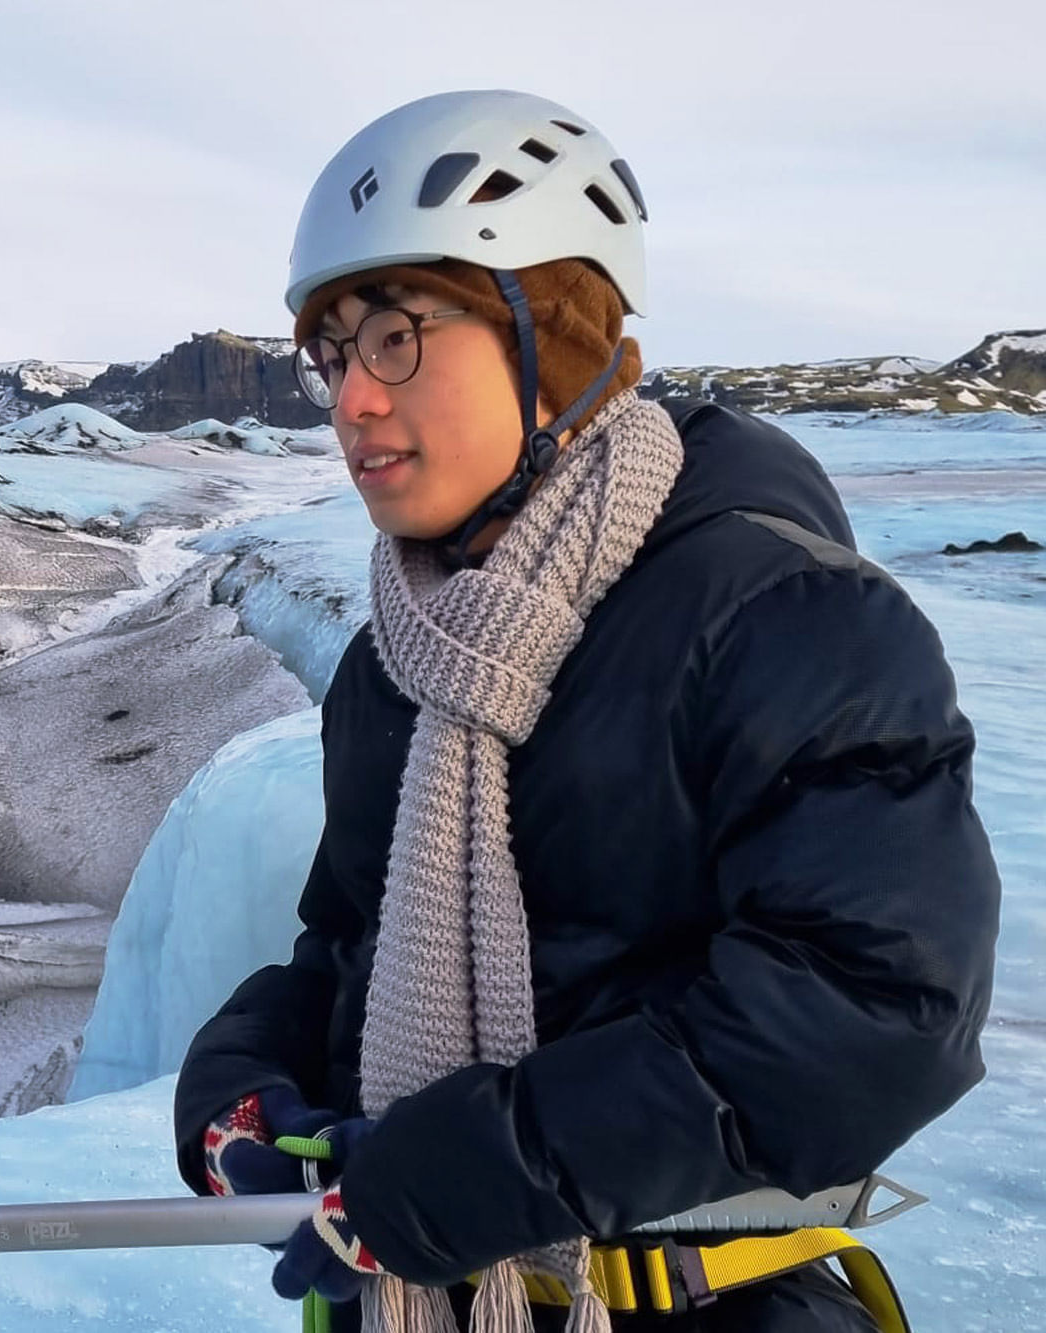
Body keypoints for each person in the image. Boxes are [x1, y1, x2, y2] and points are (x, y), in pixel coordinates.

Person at [172, 89, 1000, 1333]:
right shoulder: (393, 657)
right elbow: (350, 944)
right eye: (331, 352)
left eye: (396, 334)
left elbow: (875, 1004)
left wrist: (494, 1167)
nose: (349, 399)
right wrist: (242, 1078)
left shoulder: (780, 613)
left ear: (548, 332)